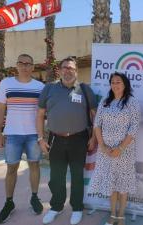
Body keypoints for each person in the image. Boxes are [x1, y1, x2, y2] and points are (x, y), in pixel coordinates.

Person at [37, 57, 97, 225]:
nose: (68, 71)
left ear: (76, 71)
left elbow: (95, 115)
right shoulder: (49, 89)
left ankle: (77, 207)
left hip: (79, 139)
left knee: (77, 176)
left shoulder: (85, 89)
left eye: (71, 68)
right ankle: (56, 206)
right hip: (55, 138)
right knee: (57, 176)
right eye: (65, 67)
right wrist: (41, 138)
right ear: (60, 70)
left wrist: (93, 138)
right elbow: (40, 115)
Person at [0, 54, 45, 223]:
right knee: (11, 169)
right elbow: (0, 109)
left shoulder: (40, 87)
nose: (24, 66)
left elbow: (42, 113)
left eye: (28, 63)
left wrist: (41, 136)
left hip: (33, 134)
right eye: (21, 63)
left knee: (35, 165)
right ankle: (9, 203)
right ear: (16, 65)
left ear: (32, 67)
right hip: (13, 134)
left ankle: (34, 197)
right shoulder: (6, 83)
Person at [88, 72, 140, 225]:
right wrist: (102, 146)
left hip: (125, 152)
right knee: (111, 184)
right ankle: (112, 214)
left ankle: (121, 216)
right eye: (113, 82)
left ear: (125, 84)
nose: (115, 85)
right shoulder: (105, 101)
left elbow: (134, 127)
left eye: (118, 82)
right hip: (106, 152)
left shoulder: (132, 102)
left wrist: (121, 148)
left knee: (122, 185)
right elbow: (97, 124)